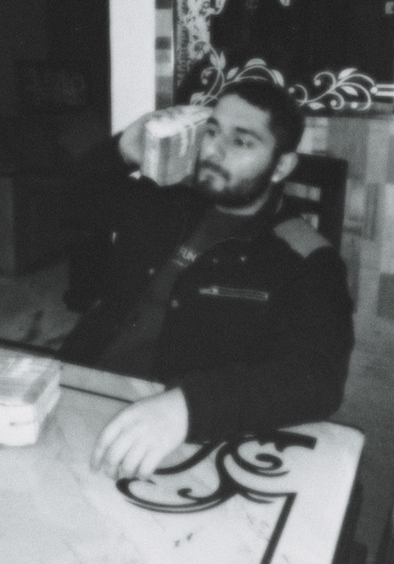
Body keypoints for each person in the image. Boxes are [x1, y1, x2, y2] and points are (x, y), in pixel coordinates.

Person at [61, 79, 354, 481]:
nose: (213, 150)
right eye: (211, 132)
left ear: (281, 166)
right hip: (82, 384)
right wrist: (122, 152)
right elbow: (65, 203)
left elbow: (318, 379)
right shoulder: (164, 198)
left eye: (242, 141)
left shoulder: (305, 259)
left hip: (178, 438)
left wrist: (189, 407)